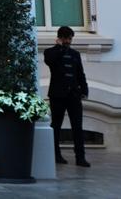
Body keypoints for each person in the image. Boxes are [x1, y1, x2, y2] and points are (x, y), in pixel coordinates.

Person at [43, 25, 90, 168]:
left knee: (77, 126)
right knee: (56, 125)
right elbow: (51, 62)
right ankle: (56, 154)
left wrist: (84, 89)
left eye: (70, 39)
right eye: (65, 39)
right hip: (58, 95)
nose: (68, 41)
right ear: (60, 38)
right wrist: (60, 48)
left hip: (74, 95)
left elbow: (80, 73)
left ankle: (80, 157)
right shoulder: (50, 52)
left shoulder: (75, 54)